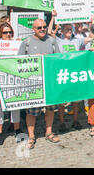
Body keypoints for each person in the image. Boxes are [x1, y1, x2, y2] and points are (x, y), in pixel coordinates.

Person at [17, 19, 61, 149]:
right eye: (39, 28)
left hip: (49, 80)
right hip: (33, 82)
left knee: (50, 108)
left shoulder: (52, 41)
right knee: (32, 110)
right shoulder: (26, 42)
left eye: (44, 27)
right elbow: (19, 61)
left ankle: (49, 132)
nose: (42, 29)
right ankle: (31, 136)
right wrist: (32, 59)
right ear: (33, 29)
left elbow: (59, 58)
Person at [56, 23, 92, 133]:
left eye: (70, 29)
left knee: (76, 100)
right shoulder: (58, 40)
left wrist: (90, 24)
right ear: (61, 31)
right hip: (63, 73)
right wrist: (53, 19)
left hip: (75, 74)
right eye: (66, 29)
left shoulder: (77, 40)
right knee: (62, 101)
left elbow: (91, 38)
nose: (69, 31)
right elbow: (49, 34)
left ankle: (75, 121)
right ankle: (62, 123)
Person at [0, 22, 23, 146]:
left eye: (10, 32)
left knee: (15, 105)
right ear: (0, 33)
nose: (8, 34)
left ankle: (17, 129)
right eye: (5, 32)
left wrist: (20, 44)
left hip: (14, 79)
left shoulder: (17, 44)